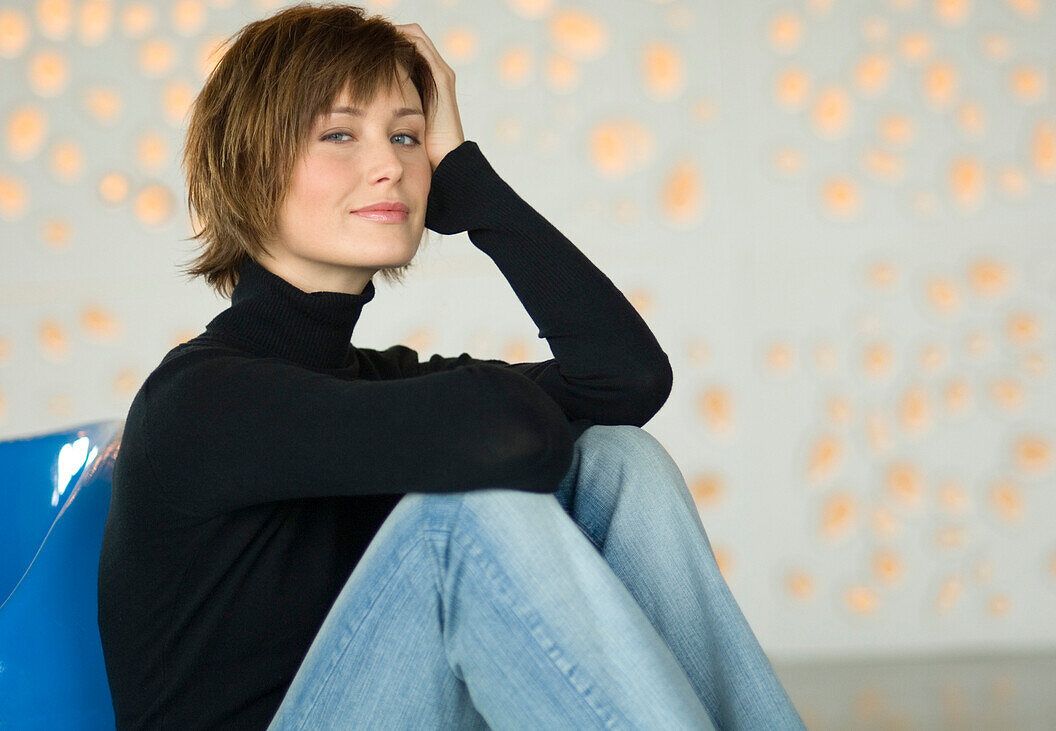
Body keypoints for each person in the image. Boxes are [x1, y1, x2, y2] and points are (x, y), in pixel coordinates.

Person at [96, 3, 806, 729]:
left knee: (621, 459)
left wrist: (468, 178)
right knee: (460, 513)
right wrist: (491, 431)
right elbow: (507, 439)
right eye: (340, 134)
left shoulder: (377, 385)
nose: (391, 165)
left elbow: (625, 379)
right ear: (249, 164)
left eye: (407, 136)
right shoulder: (201, 399)